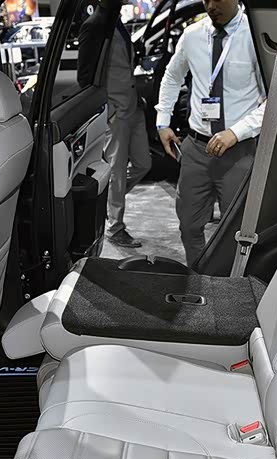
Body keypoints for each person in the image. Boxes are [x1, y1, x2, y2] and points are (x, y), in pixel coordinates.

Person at [156, 0, 265, 265]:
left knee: (237, 231)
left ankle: (230, 282)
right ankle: (198, 276)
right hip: (196, 148)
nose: (211, 6)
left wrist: (236, 132)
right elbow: (172, 77)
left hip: (239, 151)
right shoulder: (192, 35)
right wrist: (163, 121)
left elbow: (274, 98)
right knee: (189, 225)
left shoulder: (255, 36)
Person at [78, 0, 151, 248]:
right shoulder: (94, 25)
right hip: (115, 112)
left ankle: (108, 201)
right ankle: (115, 227)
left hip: (133, 107)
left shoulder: (117, 23)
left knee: (143, 164)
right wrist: (106, 109)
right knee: (116, 173)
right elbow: (85, 77)